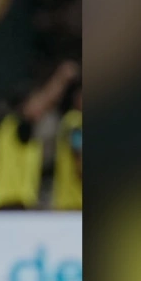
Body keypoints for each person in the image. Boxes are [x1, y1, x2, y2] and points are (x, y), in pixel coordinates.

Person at [0, 61, 80, 210]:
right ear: (24, 105)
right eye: (35, 99)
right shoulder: (19, 125)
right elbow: (46, 102)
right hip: (12, 202)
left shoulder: (7, 128)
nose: (40, 107)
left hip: (5, 202)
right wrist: (61, 78)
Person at [52, 79, 82, 210]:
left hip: (64, 198)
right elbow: (78, 153)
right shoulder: (76, 121)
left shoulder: (67, 120)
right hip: (75, 199)